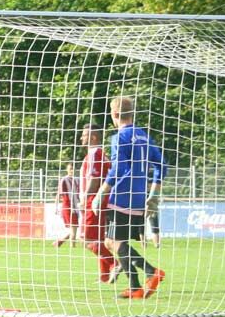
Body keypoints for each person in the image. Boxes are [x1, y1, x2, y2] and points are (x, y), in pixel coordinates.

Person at [95, 96, 166, 299]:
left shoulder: (120, 137)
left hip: (122, 195)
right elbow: (162, 165)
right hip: (139, 197)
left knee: (111, 241)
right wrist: (153, 194)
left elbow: (119, 167)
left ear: (114, 115)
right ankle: (134, 286)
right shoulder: (144, 136)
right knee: (118, 241)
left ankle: (152, 271)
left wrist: (103, 191)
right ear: (132, 113)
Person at [79, 124, 117, 282]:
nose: (81, 138)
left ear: (93, 137)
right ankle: (104, 276)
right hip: (101, 201)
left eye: (84, 135)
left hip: (94, 201)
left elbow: (94, 179)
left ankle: (115, 264)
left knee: (87, 239)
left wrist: (85, 198)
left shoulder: (94, 153)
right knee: (99, 240)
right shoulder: (101, 154)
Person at [54, 164, 81, 247]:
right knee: (74, 227)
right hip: (68, 206)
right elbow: (59, 194)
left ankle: (59, 242)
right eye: (70, 169)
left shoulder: (77, 180)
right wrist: (56, 207)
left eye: (73, 169)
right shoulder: (64, 180)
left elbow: (79, 194)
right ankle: (72, 246)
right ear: (67, 170)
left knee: (74, 227)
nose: (72, 170)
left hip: (76, 207)